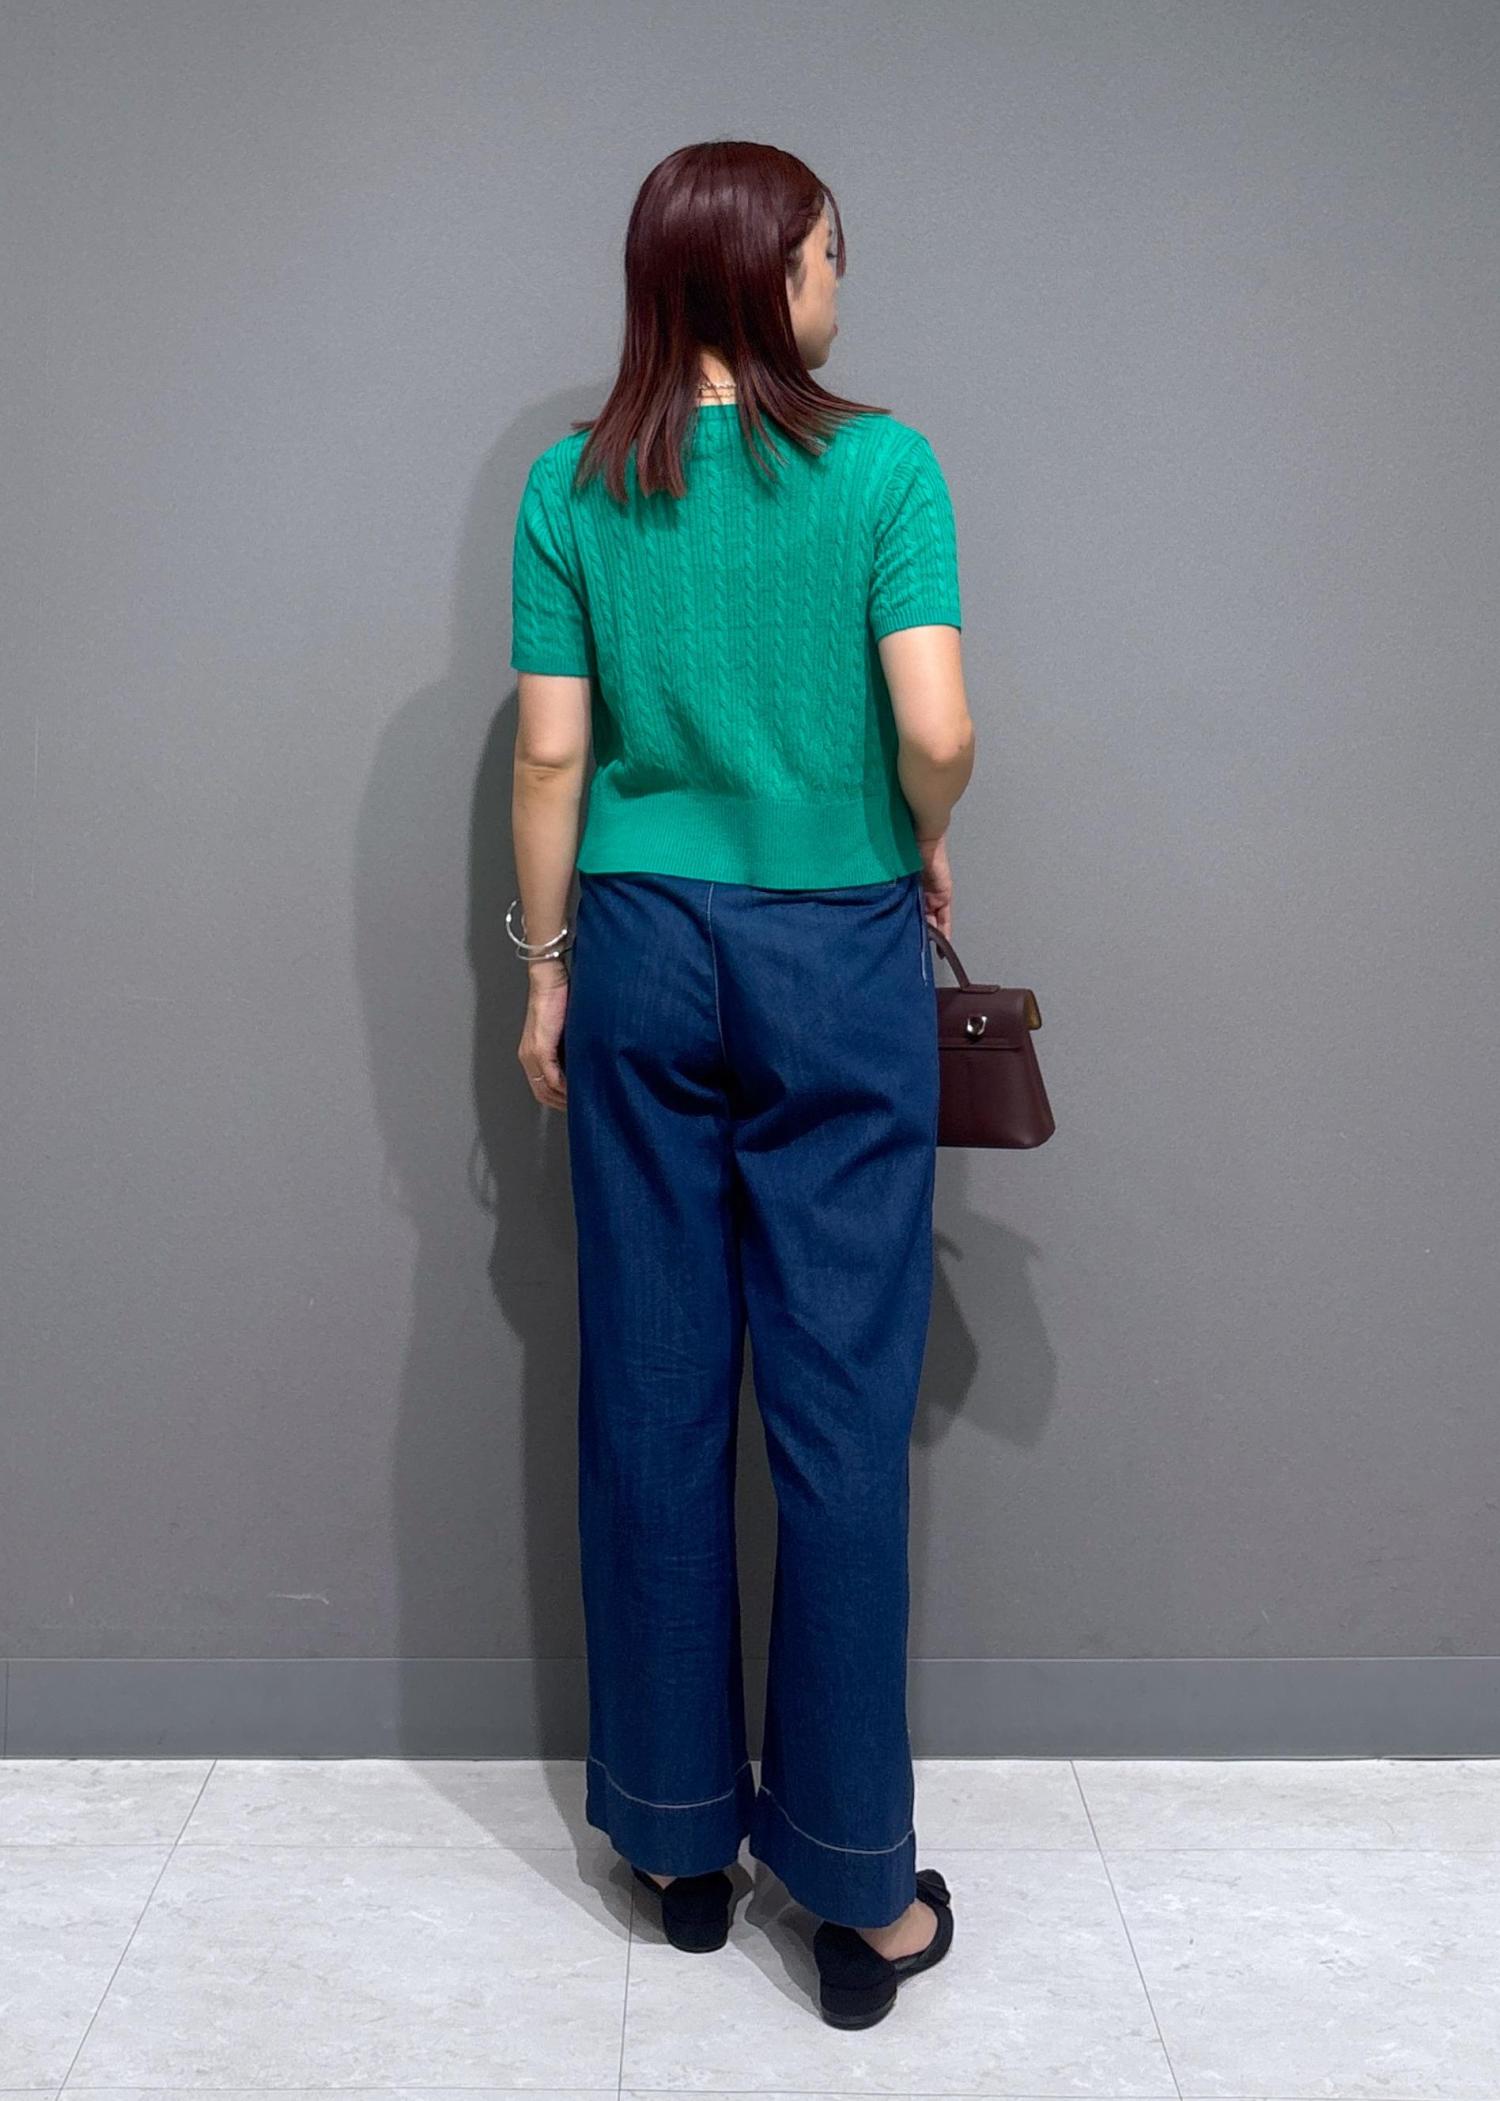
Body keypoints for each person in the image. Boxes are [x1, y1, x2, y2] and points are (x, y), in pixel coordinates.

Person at [508, 140, 973, 2028]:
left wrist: (546, 971)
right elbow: (936, 725)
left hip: (637, 942)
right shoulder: (883, 467)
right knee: (840, 1410)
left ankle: (679, 1844)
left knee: (653, 1383)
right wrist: (918, 834)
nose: (844, 284)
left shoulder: (573, 485)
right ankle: (857, 1896)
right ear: (770, 277)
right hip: (833, 948)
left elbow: (553, 762)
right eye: (832, 255)